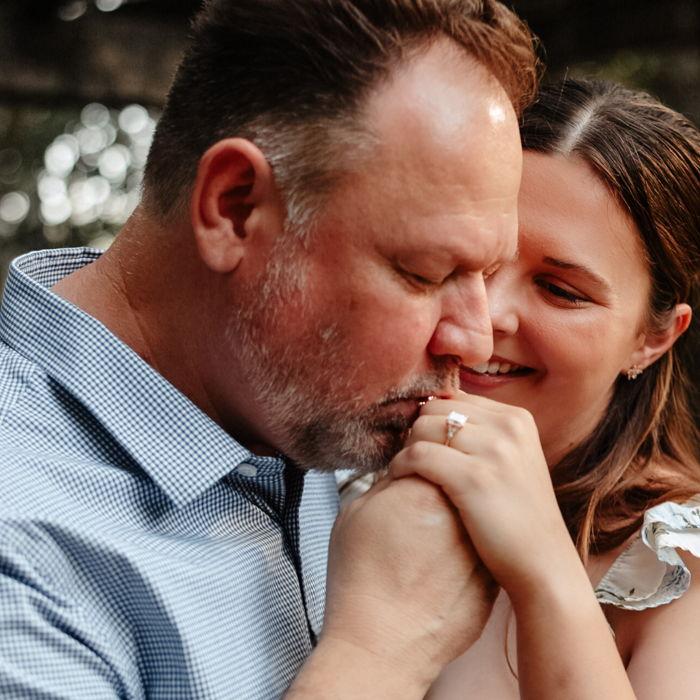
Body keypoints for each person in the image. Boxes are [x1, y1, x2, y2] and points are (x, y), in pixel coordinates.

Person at [0, 1, 539, 698]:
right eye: (424, 273)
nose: (476, 337)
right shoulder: (23, 559)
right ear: (235, 209)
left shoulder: (280, 400)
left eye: (486, 275)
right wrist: (381, 654)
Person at [383, 78, 700, 698]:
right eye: (473, 262)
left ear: (653, 337)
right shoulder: (322, 473)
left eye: (560, 290)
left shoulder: (675, 565)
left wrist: (544, 567)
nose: (484, 317)